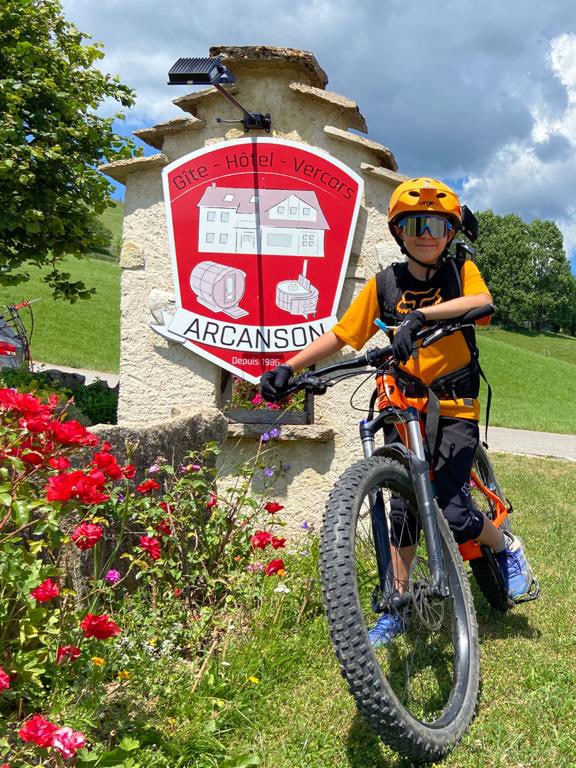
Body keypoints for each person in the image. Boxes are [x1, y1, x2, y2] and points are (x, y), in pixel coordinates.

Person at [260, 177, 535, 646]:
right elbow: (344, 335)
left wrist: (421, 317)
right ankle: (399, 604)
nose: (425, 232)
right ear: (398, 232)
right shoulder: (384, 284)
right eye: (413, 223)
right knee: (402, 509)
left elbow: (482, 304)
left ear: (450, 232)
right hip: (402, 406)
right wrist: (288, 367)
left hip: (453, 408)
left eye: (435, 223)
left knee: (449, 509)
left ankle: (505, 546)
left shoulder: (459, 272)